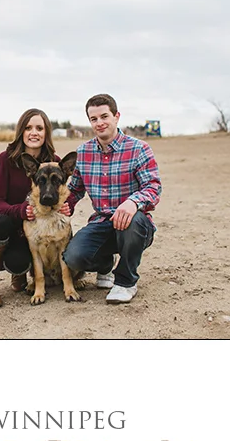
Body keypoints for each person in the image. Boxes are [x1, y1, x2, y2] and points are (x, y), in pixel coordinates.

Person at [63, 93, 162, 304]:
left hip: (134, 224)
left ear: (116, 117)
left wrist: (133, 202)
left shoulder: (139, 148)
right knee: (73, 257)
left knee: (132, 222)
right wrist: (65, 205)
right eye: (94, 119)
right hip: (102, 222)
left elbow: (153, 187)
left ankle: (126, 282)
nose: (99, 123)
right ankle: (105, 264)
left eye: (104, 116)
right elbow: (75, 189)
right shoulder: (84, 152)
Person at [0, 108, 69, 308]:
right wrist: (22, 210)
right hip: (8, 226)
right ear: (21, 131)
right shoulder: (6, 159)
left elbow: (62, 191)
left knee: (18, 263)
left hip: (33, 232)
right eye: (28, 128)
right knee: (0, 222)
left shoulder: (53, 162)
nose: (33, 133)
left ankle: (19, 274)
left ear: (46, 133)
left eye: (39, 128)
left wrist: (65, 207)